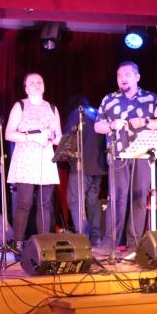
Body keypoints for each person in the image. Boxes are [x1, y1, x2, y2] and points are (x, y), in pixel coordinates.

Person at [94, 61, 157, 250]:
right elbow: (97, 126)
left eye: (127, 74)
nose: (123, 78)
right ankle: (110, 243)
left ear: (137, 77)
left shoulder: (150, 98)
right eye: (119, 75)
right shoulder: (109, 99)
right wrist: (111, 125)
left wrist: (145, 121)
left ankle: (134, 244)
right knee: (116, 199)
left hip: (143, 155)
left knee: (139, 200)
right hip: (118, 156)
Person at [5, 73, 62, 247]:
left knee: (45, 203)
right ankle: (17, 243)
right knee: (25, 202)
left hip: (46, 159)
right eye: (32, 83)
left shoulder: (52, 107)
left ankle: (43, 245)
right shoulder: (20, 105)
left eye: (39, 82)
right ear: (26, 89)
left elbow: (58, 138)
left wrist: (52, 137)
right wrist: (32, 137)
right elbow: (9, 134)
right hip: (26, 159)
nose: (37, 85)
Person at [64, 96, 107, 246]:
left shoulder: (77, 113)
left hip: (81, 166)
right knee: (93, 201)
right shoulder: (97, 113)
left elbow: (69, 140)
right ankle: (96, 238)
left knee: (75, 201)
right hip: (99, 167)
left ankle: (84, 237)